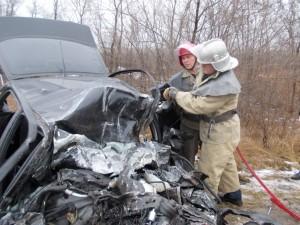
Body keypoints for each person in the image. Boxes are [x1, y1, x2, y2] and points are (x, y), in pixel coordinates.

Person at [163, 38, 242, 206]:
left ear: (217, 63)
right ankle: (233, 195)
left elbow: (197, 104)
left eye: (205, 64)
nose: (201, 67)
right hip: (219, 128)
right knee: (226, 162)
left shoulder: (225, 86)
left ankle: (205, 204)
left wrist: (176, 94)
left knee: (208, 169)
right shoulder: (214, 72)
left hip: (221, 131)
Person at [166, 42, 202, 164]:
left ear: (196, 56)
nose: (186, 60)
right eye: (183, 58)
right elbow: (166, 98)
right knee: (187, 160)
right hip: (188, 125)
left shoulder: (207, 76)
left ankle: (208, 182)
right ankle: (188, 182)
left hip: (209, 126)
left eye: (189, 57)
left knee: (211, 161)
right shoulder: (176, 80)